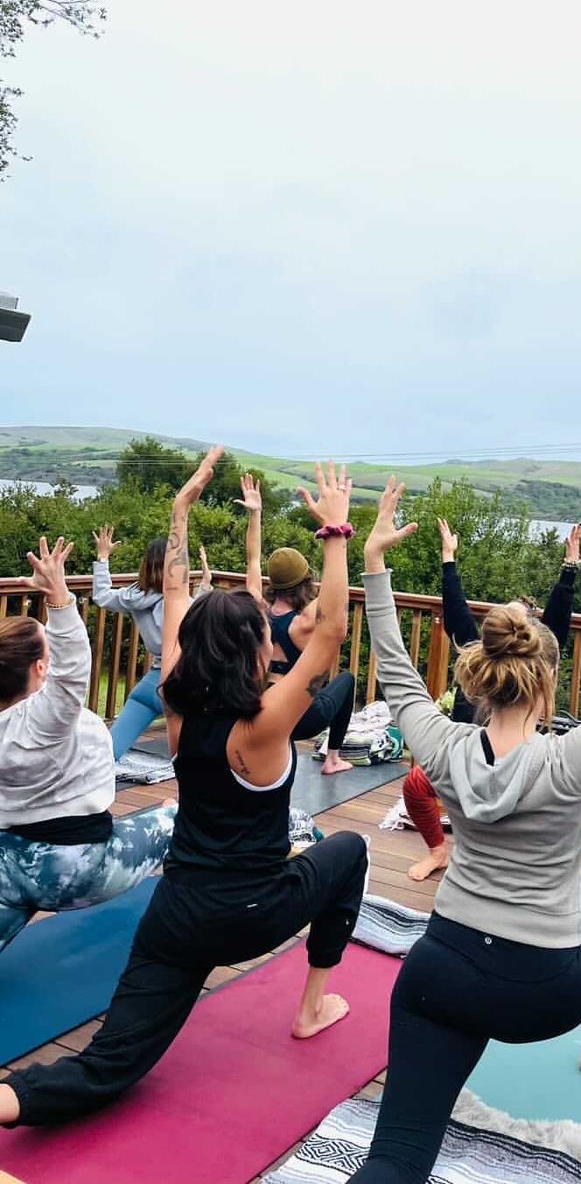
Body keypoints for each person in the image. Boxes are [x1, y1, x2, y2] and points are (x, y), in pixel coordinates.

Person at [0, 451, 368, 1128]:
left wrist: (180, 511)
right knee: (349, 853)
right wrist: (337, 534)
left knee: (111, 1062)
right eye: (263, 637)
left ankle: (12, 1097)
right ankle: (313, 1006)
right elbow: (333, 635)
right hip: (253, 909)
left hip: (175, 912)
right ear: (256, 651)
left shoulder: (178, 704)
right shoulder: (261, 728)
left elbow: (174, 597)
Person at [348, 475, 581, 1182]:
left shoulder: (441, 745)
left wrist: (374, 565)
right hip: (546, 990)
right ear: (545, 684)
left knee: (395, 1156)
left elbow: (397, 670)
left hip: (441, 970)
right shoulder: (571, 761)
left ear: (478, 680)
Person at [0, 537, 175, 954]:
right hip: (76, 871)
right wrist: (60, 598)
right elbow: (74, 665)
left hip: (9, 865)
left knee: (16, 884)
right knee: (179, 817)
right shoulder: (41, 722)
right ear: (42, 668)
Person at [402, 519, 581, 882]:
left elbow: (556, 628)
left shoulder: (536, 663)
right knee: (415, 785)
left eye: (518, 617)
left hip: (522, 760)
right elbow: (455, 611)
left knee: (577, 802)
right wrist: (448, 558)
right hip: (472, 755)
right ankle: (438, 852)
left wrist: (569, 570)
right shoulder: (480, 656)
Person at [237, 472, 356, 775]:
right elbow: (335, 595)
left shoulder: (256, 609)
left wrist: (255, 515)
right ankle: (332, 758)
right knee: (347, 680)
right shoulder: (304, 622)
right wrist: (334, 530)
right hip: (302, 717)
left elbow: (252, 560)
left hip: (263, 709)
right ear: (305, 581)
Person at [91, 525, 212, 760]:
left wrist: (103, 557)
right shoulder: (178, 602)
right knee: (195, 758)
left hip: (150, 686)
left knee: (107, 753)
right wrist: (205, 586)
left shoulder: (134, 596)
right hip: (183, 685)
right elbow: (198, 619)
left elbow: (102, 595)